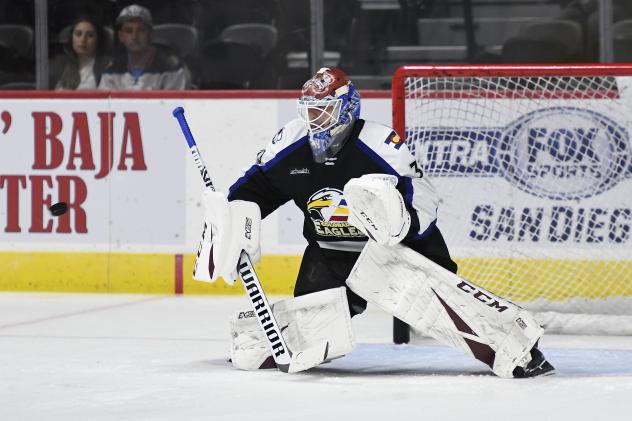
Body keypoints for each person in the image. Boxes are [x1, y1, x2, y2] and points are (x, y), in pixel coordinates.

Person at [196, 67, 554, 378]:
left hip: (396, 250)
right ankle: (258, 345)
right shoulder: (290, 143)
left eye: (323, 111)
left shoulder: (381, 145)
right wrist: (230, 220)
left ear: (347, 108)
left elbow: (426, 202)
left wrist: (401, 225)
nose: (314, 120)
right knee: (307, 325)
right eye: (310, 111)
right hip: (331, 252)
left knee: (450, 309)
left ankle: (522, 350)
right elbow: (255, 189)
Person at [99, 4, 189, 90]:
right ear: (121, 36)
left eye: (141, 30)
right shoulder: (112, 69)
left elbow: (177, 104)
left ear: (150, 34)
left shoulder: (171, 67)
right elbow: (104, 105)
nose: (134, 36)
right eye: (129, 31)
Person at [52, 16, 111, 90]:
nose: (83, 39)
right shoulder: (60, 64)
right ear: (71, 38)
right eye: (78, 34)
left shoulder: (107, 65)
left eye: (90, 35)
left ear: (98, 39)